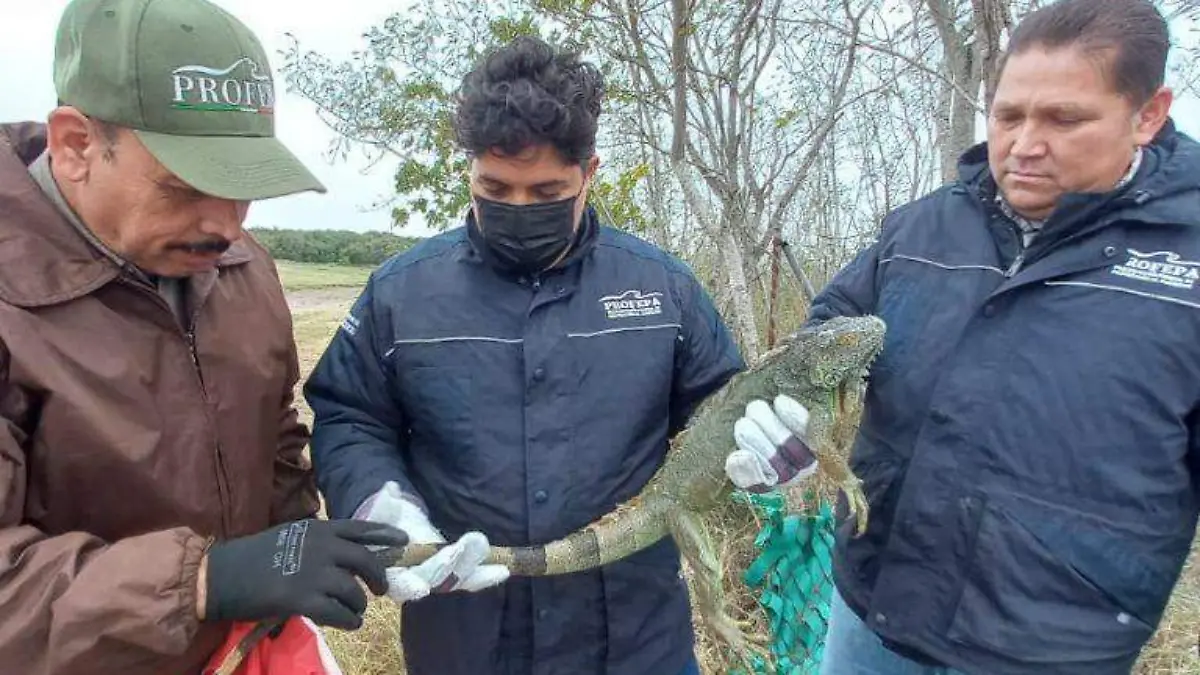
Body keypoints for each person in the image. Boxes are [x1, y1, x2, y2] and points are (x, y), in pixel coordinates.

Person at [304, 35, 821, 675]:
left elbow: (728, 408)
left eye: (547, 193)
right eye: (495, 187)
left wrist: (779, 447)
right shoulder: (403, 293)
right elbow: (351, 417)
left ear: (590, 174)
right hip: (464, 633)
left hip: (634, 636)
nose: (519, 208)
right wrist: (379, 503)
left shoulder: (662, 291)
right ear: (468, 169)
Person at [734, 0, 1200, 672]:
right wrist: (791, 434)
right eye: (1009, 115)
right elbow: (821, 345)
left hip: (1047, 649)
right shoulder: (921, 231)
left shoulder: (1183, 264)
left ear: (1149, 115)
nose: (1024, 144)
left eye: (1064, 119)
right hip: (871, 614)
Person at [0, 1, 409, 673]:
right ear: (76, 145)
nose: (224, 226)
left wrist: (306, 535)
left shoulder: (243, 268)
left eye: (241, 187)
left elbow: (271, 436)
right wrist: (203, 581)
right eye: (185, 185)